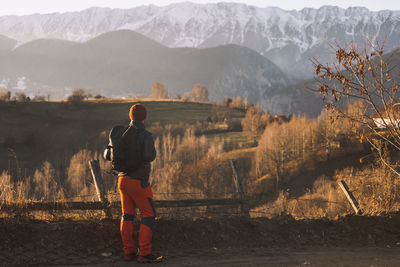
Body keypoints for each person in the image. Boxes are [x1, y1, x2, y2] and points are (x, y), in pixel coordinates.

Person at [117, 103, 163, 263]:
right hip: (138, 182)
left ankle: (128, 252)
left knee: (127, 215)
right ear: (144, 117)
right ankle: (144, 254)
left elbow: (107, 155)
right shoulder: (146, 135)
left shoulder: (121, 133)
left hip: (122, 180)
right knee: (149, 215)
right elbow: (149, 156)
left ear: (131, 116)